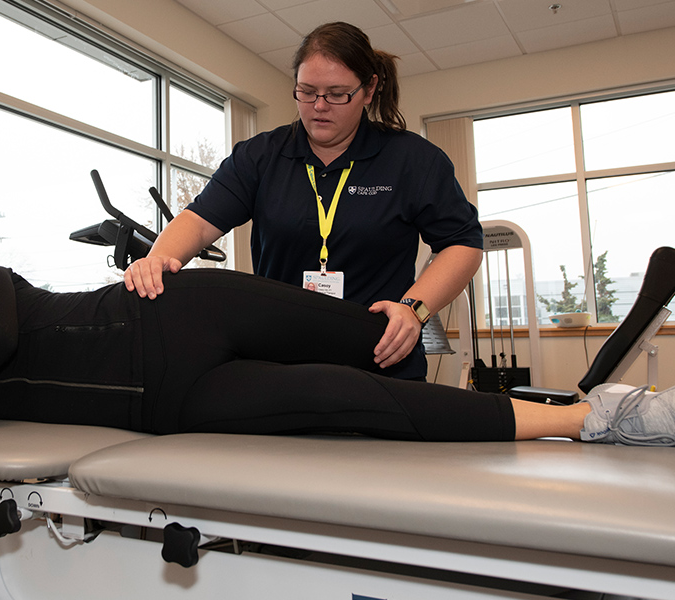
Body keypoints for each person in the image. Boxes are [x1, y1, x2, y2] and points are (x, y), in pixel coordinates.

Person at [0, 259, 675, 471]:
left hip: (187, 310)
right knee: (343, 397)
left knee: (371, 338)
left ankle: (445, 382)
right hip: (180, 400)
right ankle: (608, 418)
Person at [124, 22, 483, 380]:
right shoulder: (260, 156)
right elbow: (200, 221)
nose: (319, 107)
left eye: (337, 94)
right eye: (306, 92)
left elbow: (463, 243)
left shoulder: (413, 160)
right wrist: (156, 262)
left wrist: (414, 309)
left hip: (380, 361)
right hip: (280, 363)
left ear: (369, 89)